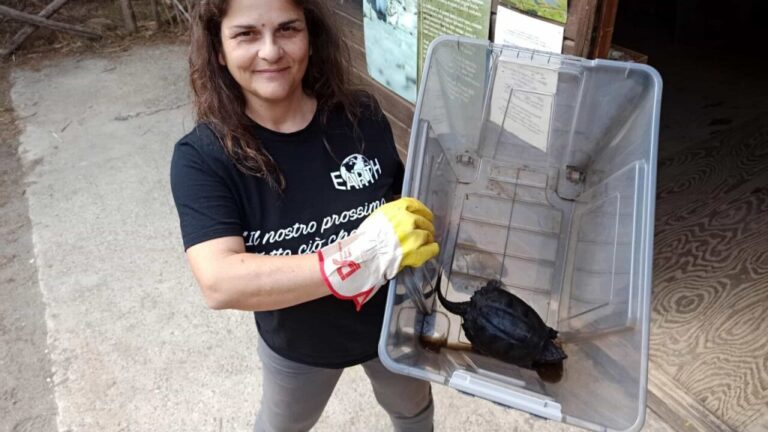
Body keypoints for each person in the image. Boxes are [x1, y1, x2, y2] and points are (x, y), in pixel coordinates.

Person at [169, 0, 439, 431]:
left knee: (412, 412)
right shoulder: (203, 157)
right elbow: (219, 282)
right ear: (218, 49)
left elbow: (406, 210)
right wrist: (352, 259)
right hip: (298, 344)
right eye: (246, 35)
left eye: (288, 29)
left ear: (310, 37)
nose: (271, 51)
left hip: (392, 326)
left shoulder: (361, 116)